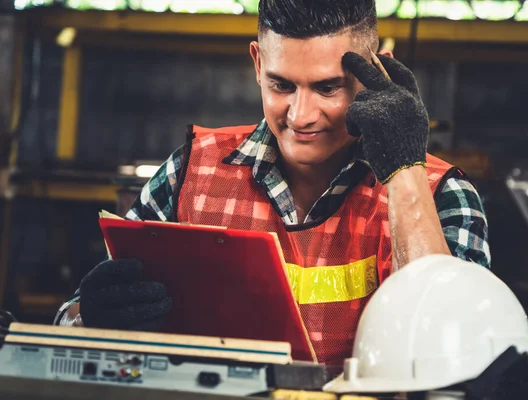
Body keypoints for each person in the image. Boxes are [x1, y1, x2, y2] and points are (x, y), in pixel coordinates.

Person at [54, 0, 490, 367]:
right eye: (281, 85)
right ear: (258, 63)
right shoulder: (190, 171)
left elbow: (457, 357)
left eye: (327, 88)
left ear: (378, 73)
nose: (300, 115)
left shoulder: (441, 194)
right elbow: (68, 324)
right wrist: (86, 318)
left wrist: (404, 171)